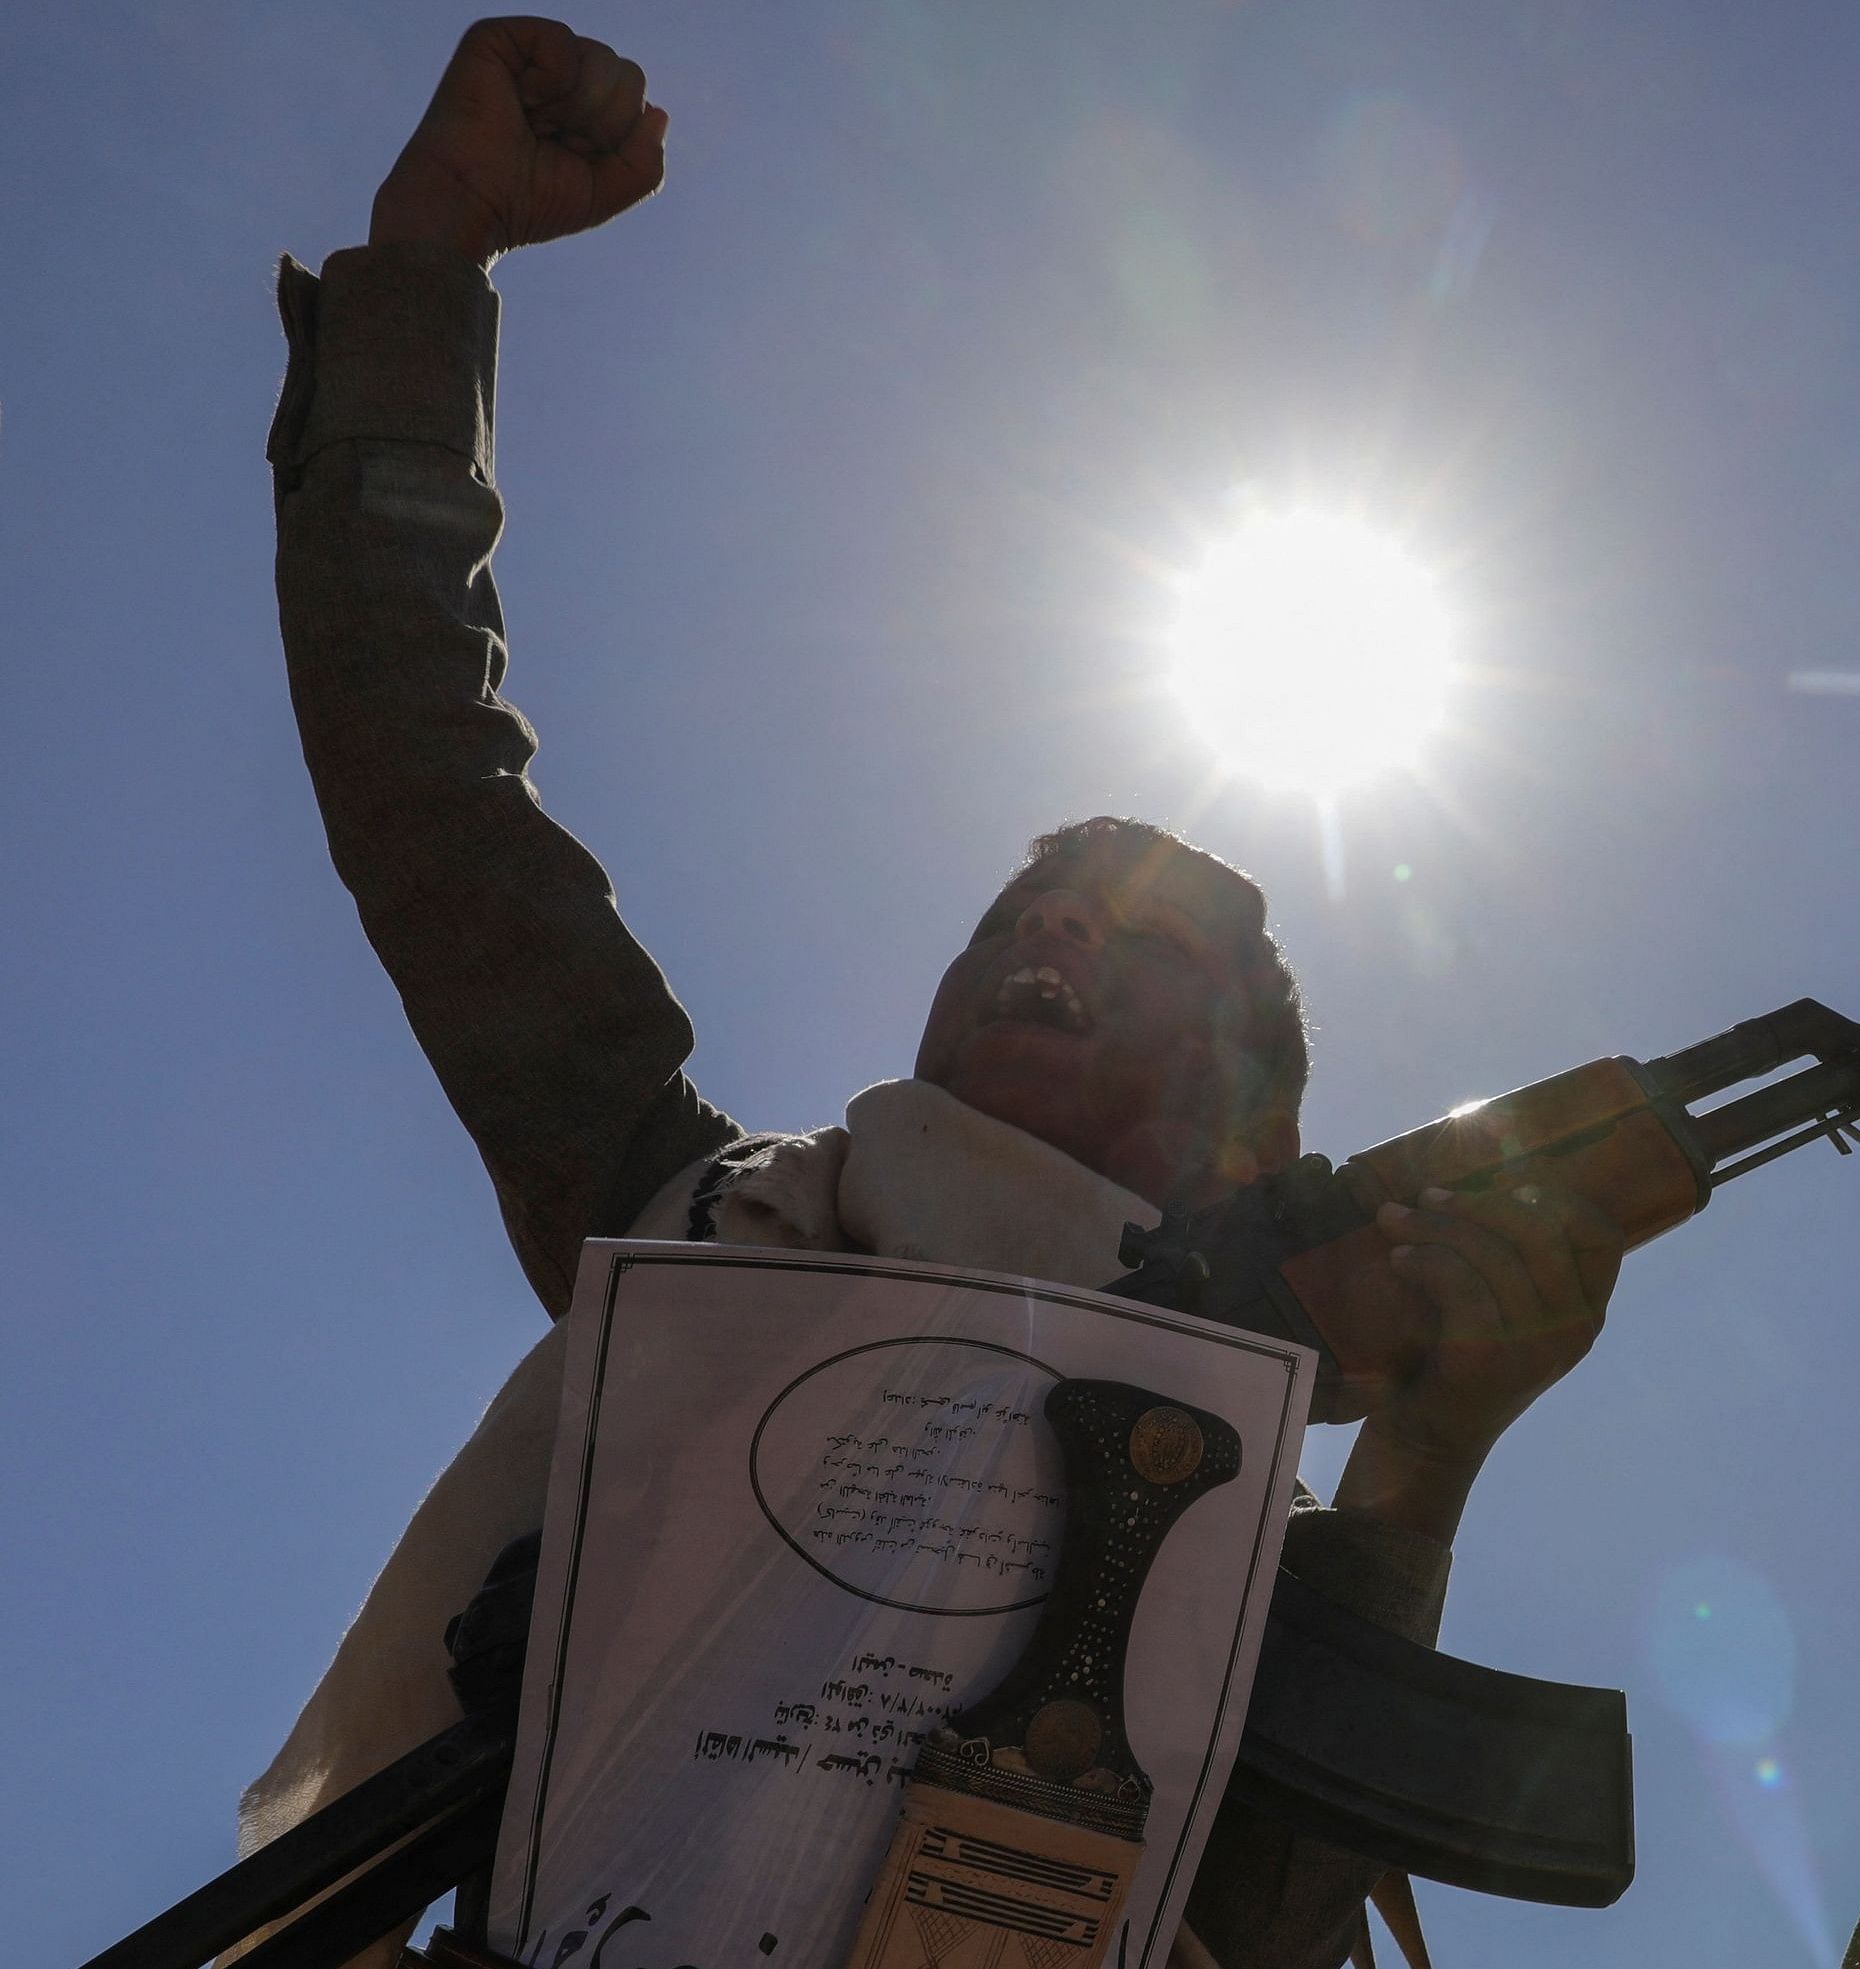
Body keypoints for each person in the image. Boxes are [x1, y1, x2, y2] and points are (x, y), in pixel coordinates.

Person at [251, 21, 1615, 1967]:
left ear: (1261, 1127)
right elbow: (427, 775)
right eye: (1023, 922)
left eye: (1148, 959)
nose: (1052, 948)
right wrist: (430, 266)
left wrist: (1426, 1460)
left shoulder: (1229, 1530)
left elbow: (1255, 1922)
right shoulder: (710, 1237)